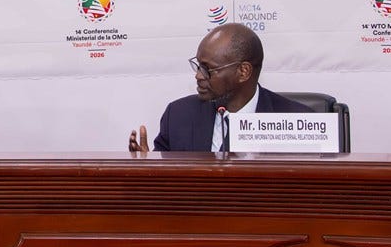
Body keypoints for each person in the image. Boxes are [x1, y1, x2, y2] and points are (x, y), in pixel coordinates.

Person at [128, 23, 310, 152]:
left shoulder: (300, 123)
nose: (199, 76)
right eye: (198, 66)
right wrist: (148, 169)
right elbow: (167, 184)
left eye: (208, 69)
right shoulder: (178, 116)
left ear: (243, 72)